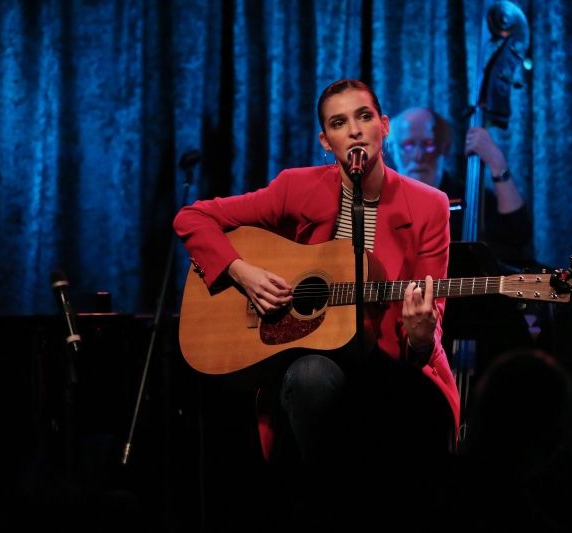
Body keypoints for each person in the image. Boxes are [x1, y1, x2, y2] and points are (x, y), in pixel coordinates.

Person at [173, 79, 459, 527]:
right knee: (311, 376)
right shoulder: (297, 188)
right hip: (308, 356)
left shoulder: (428, 206)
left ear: (383, 127)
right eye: (339, 123)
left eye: (364, 117)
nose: (356, 131)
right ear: (326, 142)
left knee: (401, 405)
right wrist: (240, 271)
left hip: (393, 364)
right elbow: (193, 217)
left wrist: (422, 337)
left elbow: (429, 322)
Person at [388, 106, 532, 267]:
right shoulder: (382, 202)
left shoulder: (471, 198)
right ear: (392, 150)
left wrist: (497, 163)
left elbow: (517, 237)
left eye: (428, 144)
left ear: (445, 148)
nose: (418, 156)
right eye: (408, 145)